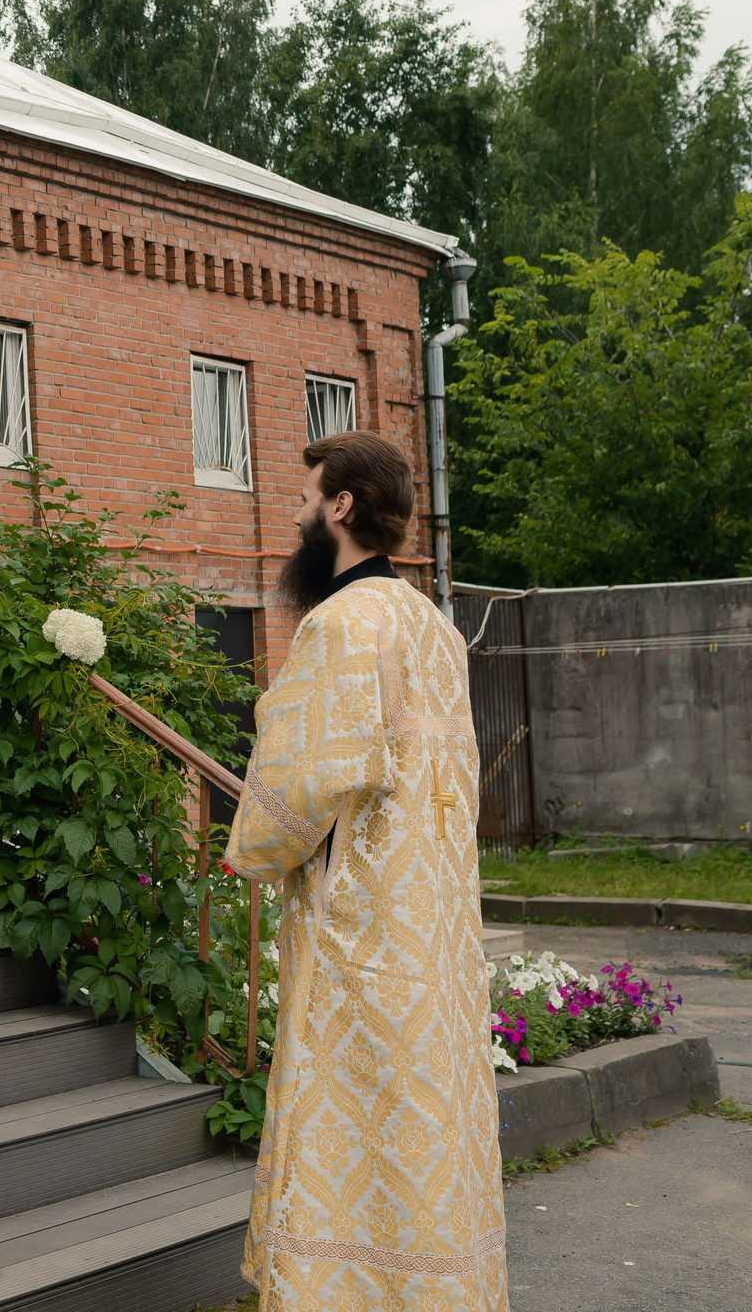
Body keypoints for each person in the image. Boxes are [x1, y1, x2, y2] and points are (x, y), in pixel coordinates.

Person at [224, 429, 504, 1309]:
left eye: (308, 497)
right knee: (425, 1131)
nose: (298, 513)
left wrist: (252, 851)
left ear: (341, 506)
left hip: (362, 935)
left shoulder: (342, 623)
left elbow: (303, 779)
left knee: (350, 1123)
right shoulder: (432, 625)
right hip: (435, 928)